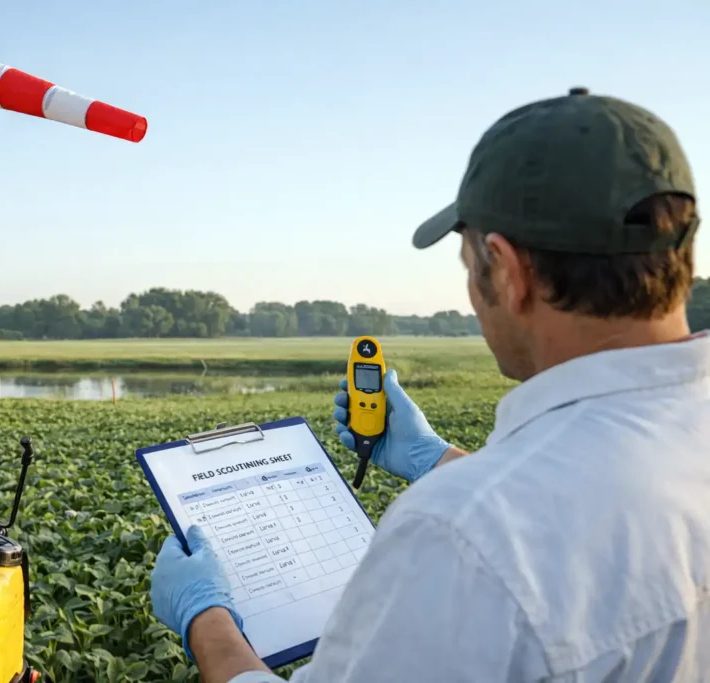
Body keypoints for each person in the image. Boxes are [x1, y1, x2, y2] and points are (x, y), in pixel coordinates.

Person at [148, 86, 710, 682]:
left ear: (510, 272)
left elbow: (524, 528)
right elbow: (586, 512)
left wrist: (207, 620)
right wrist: (438, 458)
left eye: (470, 268)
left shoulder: (459, 534)